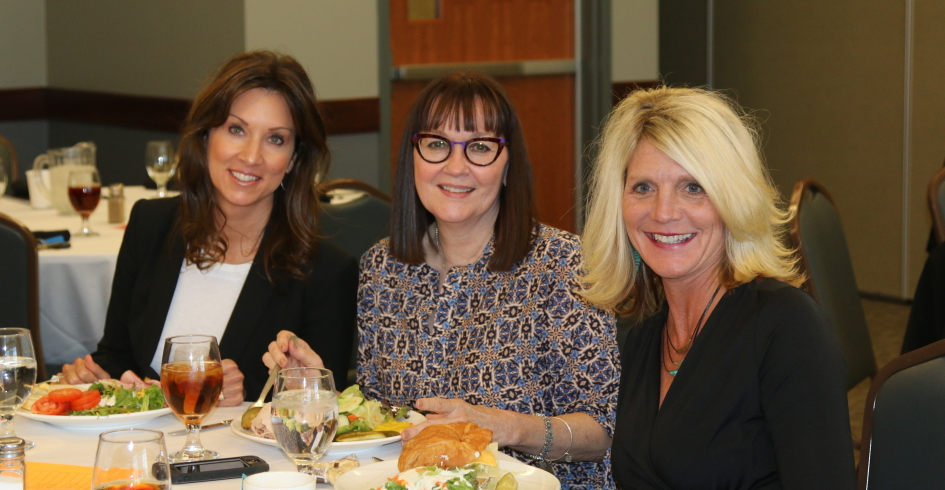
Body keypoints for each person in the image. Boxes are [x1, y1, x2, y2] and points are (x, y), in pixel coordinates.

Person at [266, 71, 620, 490]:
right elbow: (387, 420)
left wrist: (505, 426)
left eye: (480, 148)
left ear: (508, 166)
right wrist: (320, 390)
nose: (456, 167)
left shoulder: (564, 264)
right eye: (436, 145)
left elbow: (602, 431)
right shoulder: (383, 268)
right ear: (412, 159)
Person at [580, 86, 854, 489]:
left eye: (693, 187)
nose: (664, 212)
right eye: (643, 187)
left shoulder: (785, 327)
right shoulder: (643, 340)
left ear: (733, 201)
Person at [60, 50, 358, 403]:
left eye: (275, 139)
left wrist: (245, 392)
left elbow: (323, 403)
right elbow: (117, 355)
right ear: (206, 137)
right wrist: (91, 376)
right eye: (236, 129)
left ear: (293, 159)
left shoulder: (326, 272)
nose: (250, 156)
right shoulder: (150, 225)